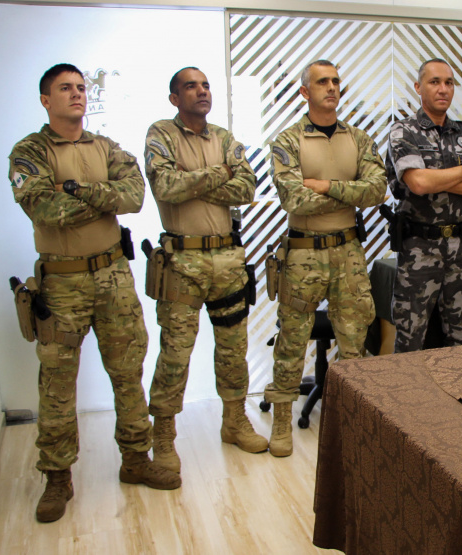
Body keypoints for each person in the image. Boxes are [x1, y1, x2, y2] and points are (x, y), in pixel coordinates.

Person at [9, 63, 180, 523]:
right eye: (65, 88)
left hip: (113, 276)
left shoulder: (106, 147)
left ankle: (136, 459)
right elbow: (44, 208)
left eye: (81, 87)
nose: (77, 94)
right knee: (57, 383)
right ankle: (57, 476)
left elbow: (134, 197)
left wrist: (75, 190)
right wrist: (101, 196)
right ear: (46, 100)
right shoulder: (29, 151)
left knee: (128, 372)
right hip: (61, 283)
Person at [145, 67, 267, 474]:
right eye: (191, 86)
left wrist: (192, 181)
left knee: (233, 349)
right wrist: (221, 174)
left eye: (206, 85)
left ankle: (234, 422)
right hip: (182, 263)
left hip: (228, 259)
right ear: (174, 98)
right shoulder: (161, 134)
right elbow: (165, 186)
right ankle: (164, 437)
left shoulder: (225, 138)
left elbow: (246, 188)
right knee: (176, 353)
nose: (202, 91)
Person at [265, 60, 386, 456]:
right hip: (303, 254)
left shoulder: (359, 138)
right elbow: (294, 199)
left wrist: (323, 185)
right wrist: (348, 190)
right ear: (305, 92)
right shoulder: (288, 141)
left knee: (354, 344)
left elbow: (377, 190)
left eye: (335, 81)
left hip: (349, 252)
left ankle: (352, 423)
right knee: (291, 341)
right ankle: (281, 423)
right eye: (322, 82)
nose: (331, 87)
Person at [386, 58, 462, 353]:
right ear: (418, 87)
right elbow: (418, 183)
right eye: (434, 82)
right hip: (419, 251)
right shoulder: (404, 131)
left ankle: (459, 386)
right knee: (410, 342)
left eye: (449, 83)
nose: (443, 89)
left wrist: (437, 179)